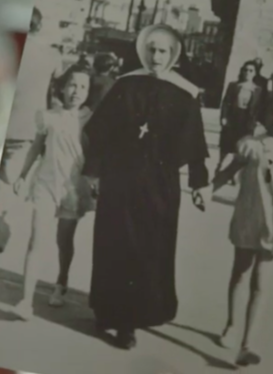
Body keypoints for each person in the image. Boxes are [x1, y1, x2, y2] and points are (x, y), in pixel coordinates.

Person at [82, 24, 209, 350]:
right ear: (143, 51)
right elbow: (100, 133)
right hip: (119, 179)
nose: (156, 56)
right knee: (114, 243)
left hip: (159, 185)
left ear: (173, 54)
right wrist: (93, 173)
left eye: (163, 51)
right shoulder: (125, 85)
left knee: (147, 249)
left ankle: (130, 322)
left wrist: (198, 182)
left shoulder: (184, 93)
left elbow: (195, 143)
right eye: (151, 49)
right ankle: (107, 310)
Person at [211, 90, 273, 367]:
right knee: (241, 272)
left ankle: (248, 344)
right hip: (249, 216)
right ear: (265, 114)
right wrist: (208, 188)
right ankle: (232, 325)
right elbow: (230, 170)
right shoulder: (251, 145)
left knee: (262, 283)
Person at [0, 7, 63, 268]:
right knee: (10, 189)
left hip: (17, 125)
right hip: (25, 127)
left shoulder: (33, 51)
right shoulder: (51, 55)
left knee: (6, 188)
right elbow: (53, 94)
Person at [10, 62, 95, 319]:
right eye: (72, 85)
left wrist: (96, 182)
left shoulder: (90, 119)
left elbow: (95, 154)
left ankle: (61, 282)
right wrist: (22, 174)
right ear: (62, 87)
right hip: (45, 184)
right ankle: (26, 301)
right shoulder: (47, 116)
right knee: (36, 239)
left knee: (64, 240)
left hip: (73, 189)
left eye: (83, 87)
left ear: (88, 91)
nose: (76, 91)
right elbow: (37, 147)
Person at [217, 60, 265, 179]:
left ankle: (233, 174)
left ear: (255, 73)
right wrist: (223, 117)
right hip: (233, 118)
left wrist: (257, 122)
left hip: (247, 122)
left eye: (251, 70)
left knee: (241, 148)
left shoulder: (258, 90)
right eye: (245, 70)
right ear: (242, 71)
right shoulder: (234, 85)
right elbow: (226, 102)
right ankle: (219, 168)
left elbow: (260, 107)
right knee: (226, 146)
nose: (248, 72)